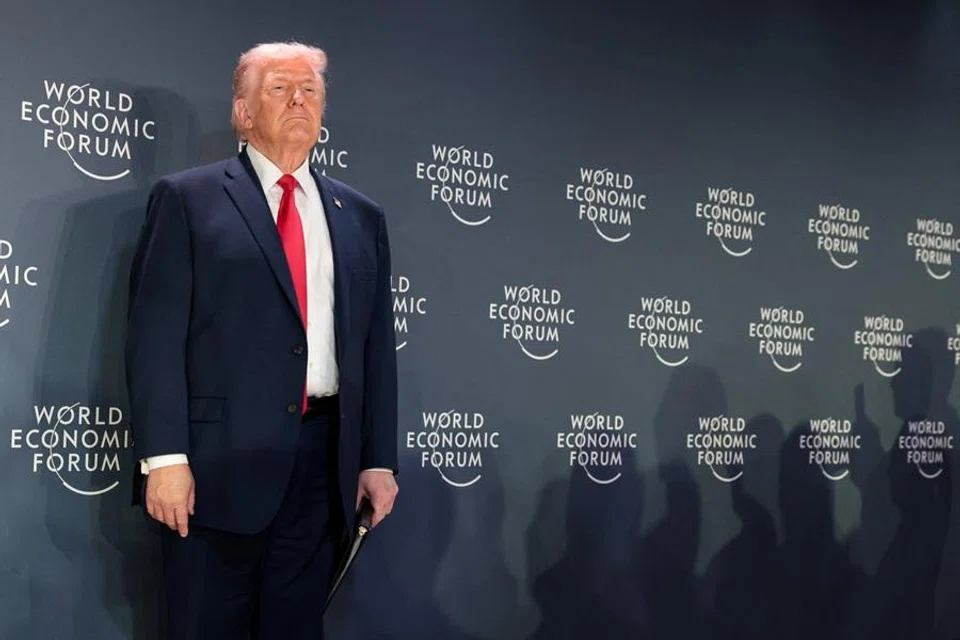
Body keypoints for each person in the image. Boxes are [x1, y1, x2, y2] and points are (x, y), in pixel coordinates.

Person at [124, 41, 399, 639]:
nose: (299, 99)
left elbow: (375, 350)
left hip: (323, 465)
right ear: (243, 113)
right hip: (214, 468)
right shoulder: (188, 199)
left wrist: (375, 457)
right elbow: (156, 336)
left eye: (311, 91)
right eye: (279, 88)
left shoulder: (360, 215)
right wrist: (165, 459)